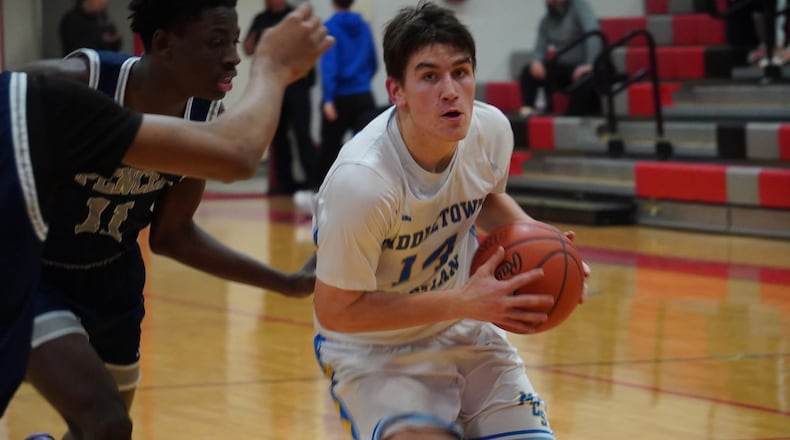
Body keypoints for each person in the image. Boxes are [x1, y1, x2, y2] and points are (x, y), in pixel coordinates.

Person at [0, 0, 331, 424]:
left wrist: (286, 283)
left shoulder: (205, 115)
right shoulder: (77, 83)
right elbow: (241, 156)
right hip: (41, 274)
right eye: (216, 42)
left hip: (113, 281)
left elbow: (172, 233)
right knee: (104, 417)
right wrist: (274, 68)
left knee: (107, 431)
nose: (232, 56)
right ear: (164, 44)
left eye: (233, 41)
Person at [311, 2, 588, 439]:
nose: (450, 90)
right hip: (377, 351)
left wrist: (549, 247)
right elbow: (336, 311)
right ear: (396, 91)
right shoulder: (363, 182)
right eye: (429, 76)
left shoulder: (490, 130)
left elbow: (488, 198)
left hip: (466, 329)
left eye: (460, 72)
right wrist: (464, 301)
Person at [244, 0, 317, 196]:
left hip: (298, 84)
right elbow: (248, 48)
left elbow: (311, 46)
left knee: (302, 134)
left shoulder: (295, 16)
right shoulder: (261, 19)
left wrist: (311, 78)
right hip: (274, 86)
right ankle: (284, 184)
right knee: (278, 137)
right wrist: (259, 35)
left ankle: (314, 183)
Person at [309, 0, 378, 199]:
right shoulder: (364, 26)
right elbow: (373, 62)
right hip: (364, 96)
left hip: (338, 98)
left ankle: (319, 196)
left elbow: (329, 66)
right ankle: (363, 195)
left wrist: (328, 98)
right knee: (366, 151)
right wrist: (361, 81)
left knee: (329, 151)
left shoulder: (329, 28)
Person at [519, 0, 601, 116]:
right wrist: (537, 61)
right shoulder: (546, 21)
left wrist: (591, 64)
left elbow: (593, 33)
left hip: (586, 66)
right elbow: (539, 49)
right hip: (564, 68)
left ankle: (572, 118)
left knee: (585, 79)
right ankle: (529, 111)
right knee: (528, 71)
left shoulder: (579, 6)